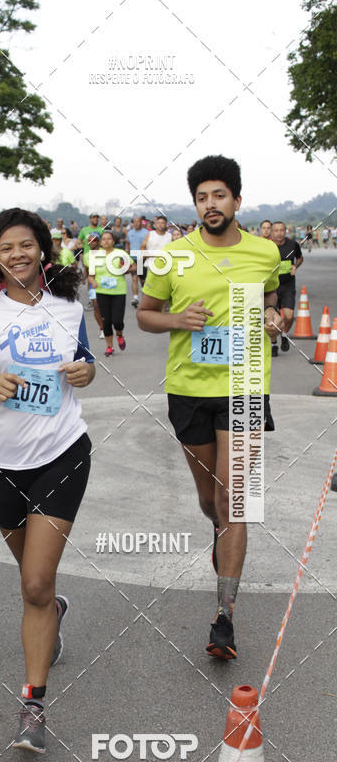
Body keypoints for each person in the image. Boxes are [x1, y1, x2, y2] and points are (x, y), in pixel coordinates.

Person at [0, 208, 95, 754]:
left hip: (63, 452)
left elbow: (81, 365)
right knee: (35, 581)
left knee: (34, 583)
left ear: (42, 250)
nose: (17, 254)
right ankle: (53, 611)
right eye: (6, 247)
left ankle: (33, 705)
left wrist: (86, 370)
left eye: (26, 245)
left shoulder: (69, 308)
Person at [137, 155, 281, 661]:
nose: (210, 204)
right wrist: (179, 318)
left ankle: (225, 617)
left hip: (244, 383)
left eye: (219, 195)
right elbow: (145, 317)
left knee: (234, 502)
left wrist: (273, 317)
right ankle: (218, 532)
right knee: (210, 502)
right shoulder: (174, 254)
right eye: (201, 197)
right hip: (190, 389)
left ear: (237, 201)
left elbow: (272, 299)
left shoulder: (266, 252)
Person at [92, 229, 128, 356]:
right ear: (101, 242)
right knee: (106, 321)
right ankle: (109, 347)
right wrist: (93, 282)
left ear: (113, 241)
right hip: (102, 291)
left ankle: (119, 334)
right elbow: (91, 275)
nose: (106, 241)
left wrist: (125, 267)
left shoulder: (120, 253)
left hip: (118, 291)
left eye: (109, 239)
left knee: (117, 321)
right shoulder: (96, 255)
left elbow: (131, 266)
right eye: (104, 239)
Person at [270, 221, 303, 356]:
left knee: (289, 316)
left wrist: (295, 266)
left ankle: (284, 335)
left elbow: (300, 258)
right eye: (276, 230)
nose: (279, 233)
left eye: (282, 230)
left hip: (288, 285)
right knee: (272, 319)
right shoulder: (268, 246)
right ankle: (273, 344)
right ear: (272, 233)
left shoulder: (292, 244)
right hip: (272, 287)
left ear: (285, 231)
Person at [83, 233, 105, 339]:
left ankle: (108, 324)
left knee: (104, 307)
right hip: (93, 284)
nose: (92, 242)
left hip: (105, 282)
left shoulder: (104, 253)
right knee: (96, 306)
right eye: (90, 240)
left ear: (98, 241)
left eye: (94, 240)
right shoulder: (86, 256)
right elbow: (87, 271)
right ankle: (102, 328)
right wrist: (86, 283)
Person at [139, 215, 172, 287]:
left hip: (166, 265)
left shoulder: (170, 236)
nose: (160, 225)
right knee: (150, 287)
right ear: (155, 224)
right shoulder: (150, 234)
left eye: (162, 223)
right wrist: (151, 255)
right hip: (150, 265)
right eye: (158, 223)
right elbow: (142, 248)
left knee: (164, 287)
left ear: (166, 224)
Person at [126, 217, 149, 308]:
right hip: (132, 258)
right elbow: (127, 243)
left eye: (138, 222)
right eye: (135, 222)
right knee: (134, 278)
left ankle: (144, 298)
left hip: (141, 258)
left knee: (142, 280)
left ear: (141, 223)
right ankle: (135, 298)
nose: (136, 223)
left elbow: (148, 244)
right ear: (133, 223)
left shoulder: (146, 233)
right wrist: (127, 252)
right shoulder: (130, 233)